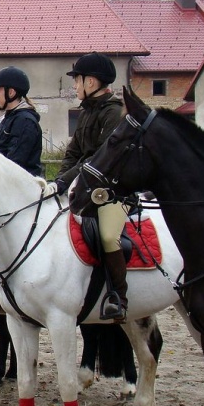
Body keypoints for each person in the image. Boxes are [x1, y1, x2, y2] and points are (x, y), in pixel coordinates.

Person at [49, 52, 129, 322]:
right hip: (85, 188)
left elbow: (98, 160)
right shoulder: (86, 113)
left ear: (91, 82)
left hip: (113, 191)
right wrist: (59, 181)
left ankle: (119, 295)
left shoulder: (114, 113)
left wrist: (64, 180)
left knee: (107, 236)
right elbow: (73, 153)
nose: (74, 86)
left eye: (77, 81)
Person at [0, 67, 43, 176]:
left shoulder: (24, 122)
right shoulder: (8, 119)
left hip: (21, 189)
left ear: (10, 92)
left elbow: (13, 163)